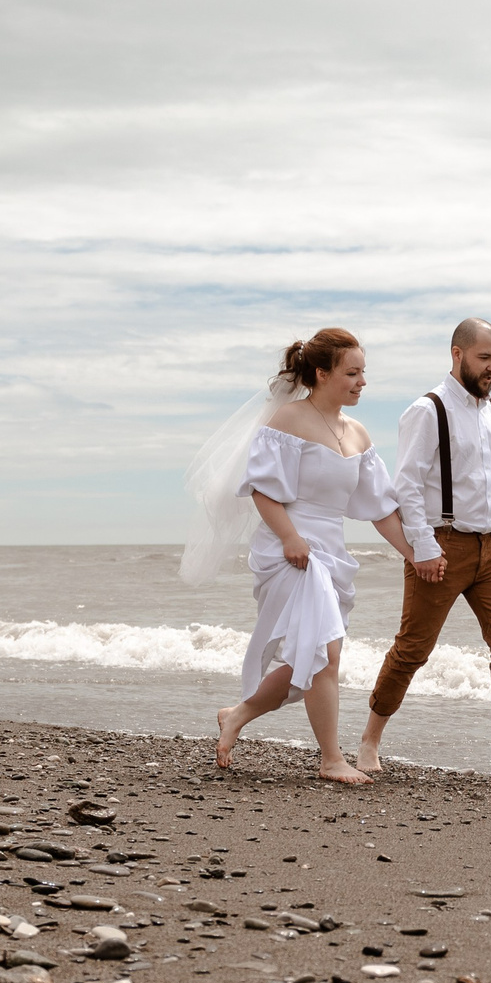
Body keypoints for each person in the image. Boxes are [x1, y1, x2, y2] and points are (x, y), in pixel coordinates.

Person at [180, 327, 413, 782]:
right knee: (323, 652)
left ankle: (238, 714)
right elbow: (263, 491)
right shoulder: (287, 420)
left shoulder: (357, 433)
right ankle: (331, 759)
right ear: (322, 374)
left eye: (364, 372)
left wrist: (414, 554)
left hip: (332, 551)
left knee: (313, 655)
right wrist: (289, 537)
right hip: (292, 551)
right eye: (352, 372)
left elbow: (382, 508)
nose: (362, 381)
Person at [356, 318, 491, 781]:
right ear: (457, 354)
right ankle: (369, 742)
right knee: (413, 648)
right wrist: (424, 548)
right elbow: (406, 487)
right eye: (484, 358)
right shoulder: (427, 410)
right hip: (442, 545)